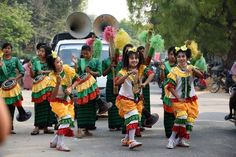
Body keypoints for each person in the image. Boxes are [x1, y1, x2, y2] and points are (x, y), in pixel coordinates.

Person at [115, 48, 154, 149]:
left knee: (133, 119)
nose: (134, 60)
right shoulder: (123, 71)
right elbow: (117, 82)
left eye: (136, 58)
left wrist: (144, 83)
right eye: (131, 58)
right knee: (133, 117)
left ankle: (126, 139)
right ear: (127, 59)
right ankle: (131, 141)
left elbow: (151, 74)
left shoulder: (141, 68)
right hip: (125, 99)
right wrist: (128, 74)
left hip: (137, 100)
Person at [165, 45, 203, 149]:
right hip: (179, 101)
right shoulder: (174, 71)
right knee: (181, 117)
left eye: (183, 56)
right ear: (177, 58)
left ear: (187, 58)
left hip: (191, 100)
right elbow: (170, 87)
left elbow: (201, 76)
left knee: (190, 121)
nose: (181, 58)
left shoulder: (191, 68)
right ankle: (171, 139)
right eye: (179, 56)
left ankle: (180, 140)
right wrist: (178, 97)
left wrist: (193, 70)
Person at [72, 45, 111, 137]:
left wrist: (91, 72)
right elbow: (77, 74)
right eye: (83, 53)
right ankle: (80, 129)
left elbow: (100, 73)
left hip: (92, 88)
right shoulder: (80, 61)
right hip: (82, 88)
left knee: (91, 109)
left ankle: (87, 129)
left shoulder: (96, 61)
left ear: (91, 52)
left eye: (87, 53)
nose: (85, 55)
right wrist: (75, 65)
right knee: (82, 108)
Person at [46, 50, 80, 152]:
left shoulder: (67, 69)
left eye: (60, 61)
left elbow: (78, 79)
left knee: (68, 121)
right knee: (66, 118)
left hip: (67, 101)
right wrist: (57, 84)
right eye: (57, 62)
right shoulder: (51, 77)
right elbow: (52, 98)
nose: (60, 63)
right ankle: (60, 144)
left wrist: (71, 87)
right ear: (52, 66)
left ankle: (54, 141)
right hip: (56, 102)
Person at [0, 43, 30, 134]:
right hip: (1, 85)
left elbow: (22, 71)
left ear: (11, 50)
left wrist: (16, 78)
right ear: (2, 50)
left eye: (8, 48)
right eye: (5, 48)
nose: (7, 50)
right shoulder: (0, 60)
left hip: (12, 86)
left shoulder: (15, 60)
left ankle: (9, 127)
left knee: (11, 107)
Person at [29, 44, 56, 135]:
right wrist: (30, 69)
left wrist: (44, 72)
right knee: (38, 106)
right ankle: (36, 127)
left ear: (47, 52)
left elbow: (55, 71)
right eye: (39, 51)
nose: (40, 53)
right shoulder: (34, 60)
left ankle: (46, 127)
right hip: (39, 87)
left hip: (49, 87)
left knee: (48, 106)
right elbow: (32, 75)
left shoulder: (51, 61)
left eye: (42, 51)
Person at [159, 46, 177, 138]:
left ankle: (177, 131)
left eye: (174, 54)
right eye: (171, 54)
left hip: (177, 91)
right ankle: (169, 132)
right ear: (168, 55)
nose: (172, 56)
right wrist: (162, 70)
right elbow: (162, 79)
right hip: (166, 91)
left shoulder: (179, 65)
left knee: (177, 111)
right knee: (167, 112)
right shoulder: (165, 65)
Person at [102, 55, 123, 131]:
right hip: (110, 83)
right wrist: (110, 67)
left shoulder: (121, 61)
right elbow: (103, 73)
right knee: (111, 104)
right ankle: (112, 124)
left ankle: (119, 124)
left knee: (119, 103)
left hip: (119, 82)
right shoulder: (105, 61)